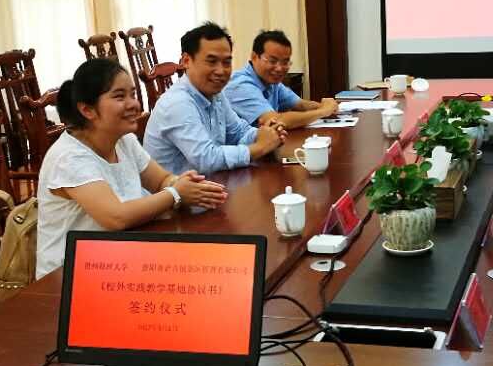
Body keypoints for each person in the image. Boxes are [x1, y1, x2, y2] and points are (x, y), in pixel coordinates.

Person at [35, 58, 228, 279]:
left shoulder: (123, 139)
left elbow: (160, 180)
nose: (134, 104)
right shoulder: (69, 157)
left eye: (133, 94)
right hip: (69, 277)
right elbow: (116, 217)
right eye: (120, 96)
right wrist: (176, 194)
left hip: (121, 261)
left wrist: (182, 184)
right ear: (87, 110)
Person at [143, 22, 286, 175]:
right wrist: (260, 147)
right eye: (211, 61)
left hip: (212, 183)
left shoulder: (215, 93)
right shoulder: (177, 103)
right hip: (175, 189)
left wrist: (265, 133)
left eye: (227, 62)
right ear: (186, 61)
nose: (221, 71)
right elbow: (206, 159)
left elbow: (238, 132)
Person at [225, 30, 339, 129]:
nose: (279, 68)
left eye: (285, 62)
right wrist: (323, 111)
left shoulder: (270, 81)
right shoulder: (240, 85)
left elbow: (300, 105)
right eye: (272, 61)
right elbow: (275, 121)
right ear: (254, 57)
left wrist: (326, 106)